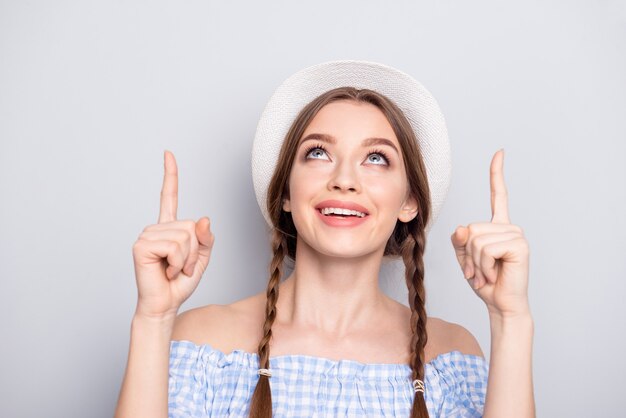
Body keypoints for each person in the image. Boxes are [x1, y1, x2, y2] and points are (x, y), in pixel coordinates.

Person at [114, 60, 535, 417]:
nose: (345, 180)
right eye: (318, 153)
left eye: (376, 158)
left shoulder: (450, 357)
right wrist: (152, 319)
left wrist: (510, 319)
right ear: (284, 193)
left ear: (409, 201)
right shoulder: (205, 343)